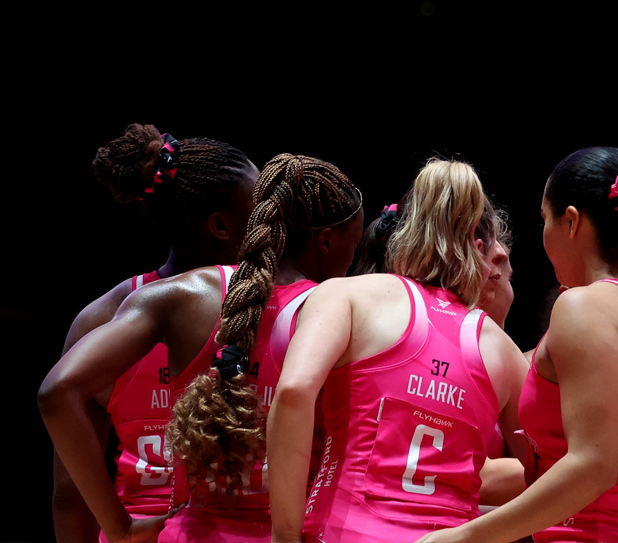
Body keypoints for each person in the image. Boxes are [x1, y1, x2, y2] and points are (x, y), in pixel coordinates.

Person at [40, 153, 363, 543]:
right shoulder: (343, 312)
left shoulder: (159, 303)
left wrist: (120, 529)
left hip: (175, 531)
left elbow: (67, 485)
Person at [419, 146, 618, 543]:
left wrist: (463, 537)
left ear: (571, 221)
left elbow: (592, 468)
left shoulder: (583, 306)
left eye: (544, 219)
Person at [268, 158, 530, 543]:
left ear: (402, 235)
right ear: (480, 251)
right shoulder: (505, 352)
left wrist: (284, 535)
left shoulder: (346, 295)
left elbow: (293, 393)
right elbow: (555, 472)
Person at [51, 123, 257, 543]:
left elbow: (70, 494)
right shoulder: (269, 309)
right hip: (231, 531)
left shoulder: (97, 319)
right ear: (221, 226)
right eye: (258, 215)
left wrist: (121, 530)